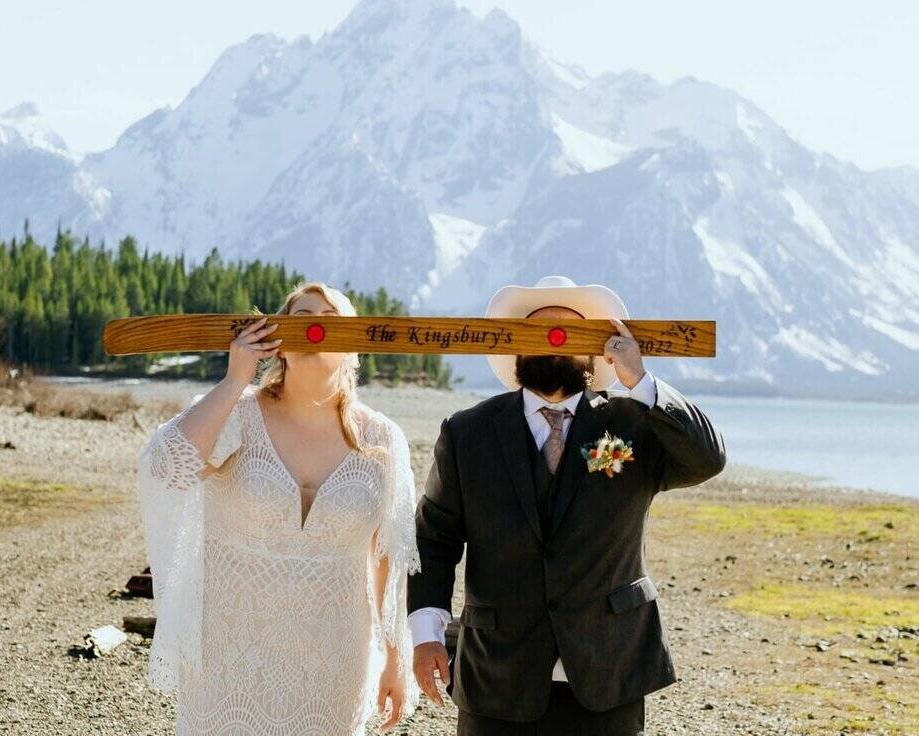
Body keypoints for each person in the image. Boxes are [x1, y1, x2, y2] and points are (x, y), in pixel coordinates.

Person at [408, 275, 727, 736]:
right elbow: (433, 539)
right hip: (497, 673)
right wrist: (426, 633)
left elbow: (708, 458)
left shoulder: (635, 422)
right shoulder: (467, 432)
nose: (554, 343)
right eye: (538, 332)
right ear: (516, 348)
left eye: (571, 333)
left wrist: (639, 380)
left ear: (594, 351)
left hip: (608, 669)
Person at [136, 281, 420, 735]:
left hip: (334, 663)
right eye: (301, 319)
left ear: (353, 349)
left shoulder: (383, 440)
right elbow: (165, 468)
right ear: (280, 344)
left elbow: (388, 558)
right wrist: (234, 380)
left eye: (331, 323)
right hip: (229, 657)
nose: (314, 331)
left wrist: (394, 659)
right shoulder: (235, 413)